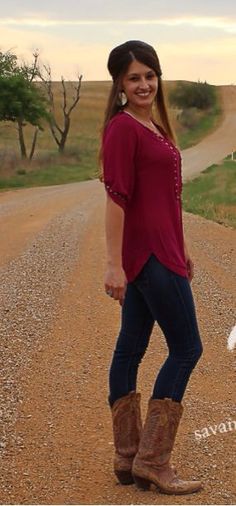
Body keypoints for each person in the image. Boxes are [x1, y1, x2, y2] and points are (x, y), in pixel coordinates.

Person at [99, 40, 203, 495]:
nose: (143, 84)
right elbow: (116, 199)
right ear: (120, 84)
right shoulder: (124, 129)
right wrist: (113, 264)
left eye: (149, 75)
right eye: (133, 77)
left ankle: (128, 459)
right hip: (149, 258)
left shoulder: (153, 126)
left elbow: (165, 201)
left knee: (131, 346)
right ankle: (154, 461)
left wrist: (183, 248)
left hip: (161, 251)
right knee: (187, 348)